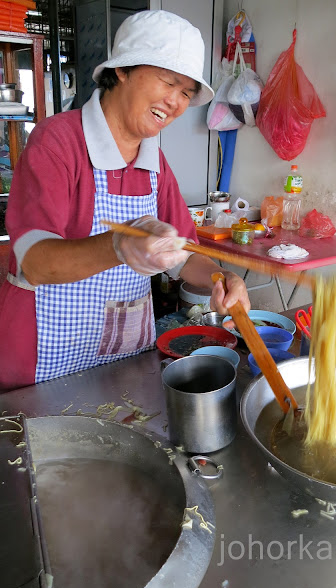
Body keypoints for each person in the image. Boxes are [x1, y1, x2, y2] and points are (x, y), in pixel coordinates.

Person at [0, 10, 250, 392]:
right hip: (43, 364)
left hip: (122, 361)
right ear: (123, 70)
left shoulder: (154, 163)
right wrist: (119, 245)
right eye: (168, 82)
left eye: (186, 93)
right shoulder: (58, 142)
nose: (175, 102)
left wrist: (221, 279)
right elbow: (34, 262)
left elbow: (184, 254)